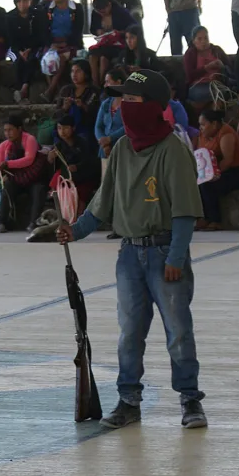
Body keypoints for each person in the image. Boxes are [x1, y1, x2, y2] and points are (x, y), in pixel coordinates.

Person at [57, 70, 207, 430]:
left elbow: (185, 211)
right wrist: (75, 231)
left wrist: (176, 257)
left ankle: (190, 399)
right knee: (129, 332)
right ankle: (128, 400)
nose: (123, 106)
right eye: (121, 99)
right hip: (129, 254)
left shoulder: (173, 150)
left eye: (132, 99)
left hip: (164, 251)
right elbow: (102, 201)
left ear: (152, 106)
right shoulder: (123, 148)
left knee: (178, 331)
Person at [0, 114, 48, 233]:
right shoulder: (3, 146)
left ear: (19, 129)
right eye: (5, 130)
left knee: (39, 190)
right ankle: (1, 222)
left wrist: (8, 164)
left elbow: (29, 159)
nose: (7, 133)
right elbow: (1, 166)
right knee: (7, 187)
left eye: (10, 130)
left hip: (33, 177)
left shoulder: (29, 139)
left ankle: (33, 223)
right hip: (16, 179)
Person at [196, 110, 239, 231]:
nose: (200, 128)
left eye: (203, 124)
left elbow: (227, 160)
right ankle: (201, 218)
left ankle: (215, 220)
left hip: (233, 171)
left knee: (207, 185)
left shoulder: (226, 133)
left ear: (214, 124)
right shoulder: (203, 135)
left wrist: (212, 175)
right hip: (210, 170)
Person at [49, 112, 101, 217]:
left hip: (85, 176)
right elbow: (57, 165)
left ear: (73, 128)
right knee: (58, 179)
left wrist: (77, 167)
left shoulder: (83, 142)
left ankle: (79, 219)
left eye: (65, 128)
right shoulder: (58, 146)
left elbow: (90, 161)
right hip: (69, 177)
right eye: (59, 128)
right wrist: (51, 158)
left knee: (81, 197)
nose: (62, 132)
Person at [42, 0, 85, 101]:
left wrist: (66, 43)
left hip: (70, 44)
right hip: (53, 43)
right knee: (47, 60)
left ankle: (50, 91)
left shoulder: (76, 9)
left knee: (60, 58)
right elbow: (44, 30)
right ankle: (55, 92)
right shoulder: (48, 9)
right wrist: (52, 44)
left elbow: (78, 30)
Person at [8, 0, 47, 104]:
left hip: (33, 47)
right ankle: (20, 89)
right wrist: (20, 51)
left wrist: (30, 49)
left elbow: (41, 35)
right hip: (16, 48)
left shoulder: (38, 14)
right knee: (18, 61)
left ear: (30, 0)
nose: (22, 4)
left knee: (33, 59)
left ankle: (23, 89)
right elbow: (10, 39)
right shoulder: (10, 17)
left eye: (25, 0)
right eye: (19, 1)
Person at [89, 0, 136, 88]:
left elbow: (134, 28)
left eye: (104, 11)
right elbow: (92, 29)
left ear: (109, 5)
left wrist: (120, 32)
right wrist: (98, 31)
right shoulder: (96, 14)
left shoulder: (121, 12)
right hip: (104, 42)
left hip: (118, 44)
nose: (102, 14)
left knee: (103, 58)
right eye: (100, 12)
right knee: (92, 55)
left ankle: (102, 84)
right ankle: (95, 84)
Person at [183, 26, 230, 112]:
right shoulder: (190, 53)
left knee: (220, 92)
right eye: (199, 39)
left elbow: (229, 67)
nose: (203, 41)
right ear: (194, 41)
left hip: (216, 84)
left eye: (206, 38)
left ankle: (205, 110)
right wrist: (206, 67)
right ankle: (212, 111)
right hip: (198, 86)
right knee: (217, 94)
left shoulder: (216, 50)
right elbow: (190, 74)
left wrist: (222, 67)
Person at [57, 59, 101, 145]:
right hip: (64, 128)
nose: (74, 74)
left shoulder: (94, 91)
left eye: (78, 71)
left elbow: (97, 115)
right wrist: (64, 108)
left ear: (86, 73)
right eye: (72, 71)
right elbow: (56, 114)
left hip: (85, 128)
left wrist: (83, 106)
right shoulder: (66, 90)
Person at [96, 68, 127, 181]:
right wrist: (104, 143)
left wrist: (110, 138)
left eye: (108, 82)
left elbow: (128, 126)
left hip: (124, 149)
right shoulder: (106, 103)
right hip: (106, 150)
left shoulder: (129, 102)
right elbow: (98, 126)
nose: (105, 85)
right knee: (106, 183)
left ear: (118, 82)